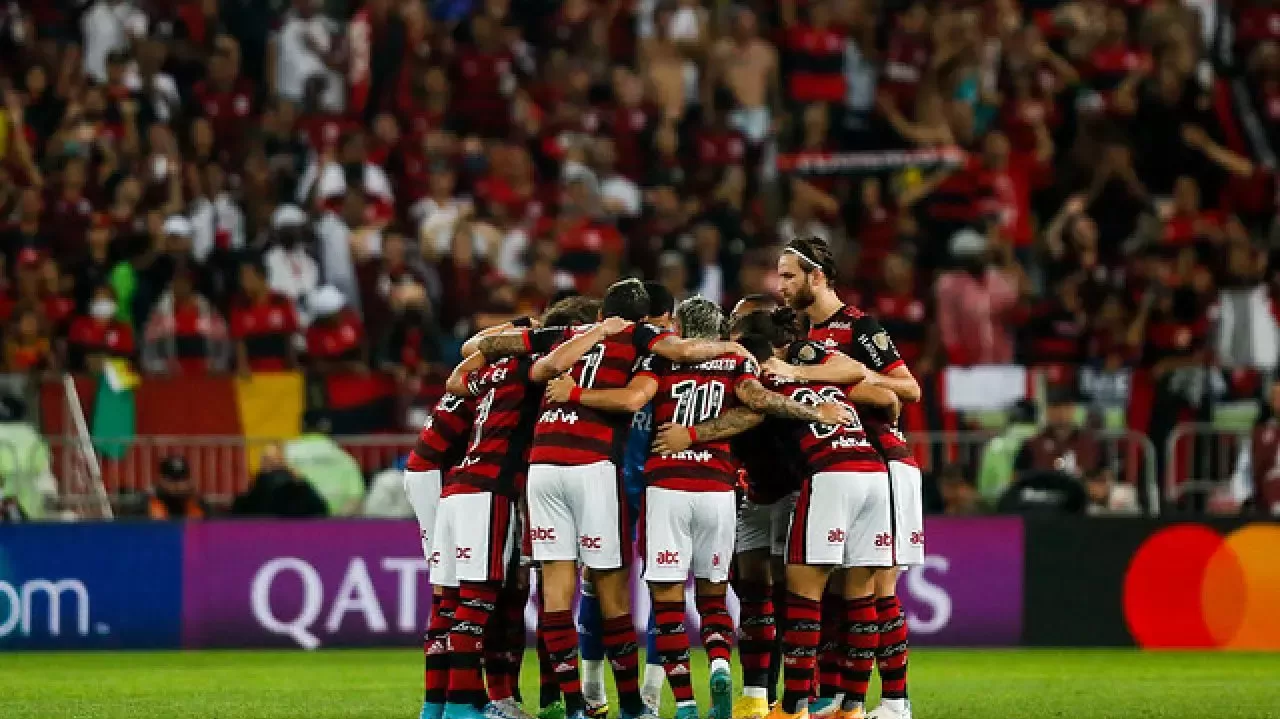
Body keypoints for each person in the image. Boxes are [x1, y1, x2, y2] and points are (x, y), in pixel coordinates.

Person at [547, 297, 854, 719]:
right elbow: (759, 403)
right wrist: (816, 411)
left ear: (678, 327)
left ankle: (686, 705)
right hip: (717, 490)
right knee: (713, 598)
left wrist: (577, 393)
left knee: (667, 603)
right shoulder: (737, 360)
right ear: (720, 330)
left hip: (666, 487)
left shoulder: (660, 361)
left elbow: (634, 398)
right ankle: (720, 665)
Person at [473, 278, 756, 719]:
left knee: (557, 593)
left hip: (543, 465)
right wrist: (732, 348)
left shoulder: (565, 334)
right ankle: (634, 703)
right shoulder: (643, 340)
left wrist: (534, 334)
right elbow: (645, 387)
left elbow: (488, 347)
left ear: (601, 312)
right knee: (614, 592)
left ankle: (576, 703)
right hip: (599, 466)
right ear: (646, 320)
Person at [655, 307, 900, 719]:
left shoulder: (765, 372)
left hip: (813, 481)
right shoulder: (816, 376)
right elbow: (886, 397)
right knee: (852, 592)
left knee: (801, 594)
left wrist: (692, 434)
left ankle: (795, 704)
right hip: (861, 473)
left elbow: (754, 407)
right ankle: (846, 705)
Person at [435, 310, 632, 719]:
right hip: (492, 488)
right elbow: (553, 365)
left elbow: (456, 375)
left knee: (459, 602)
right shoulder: (528, 370)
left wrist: (501, 335)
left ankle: (448, 704)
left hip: (458, 485)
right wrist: (596, 332)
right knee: (480, 600)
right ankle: (461, 706)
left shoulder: (490, 374)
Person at [777, 237, 923, 719]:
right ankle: (845, 698)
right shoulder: (803, 334)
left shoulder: (859, 327)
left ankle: (896, 700)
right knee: (843, 590)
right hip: (852, 466)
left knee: (878, 586)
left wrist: (852, 377)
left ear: (817, 277)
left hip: (886, 461)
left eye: (789, 276)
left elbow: (909, 389)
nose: (781, 286)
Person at [142, 455, 209, 520]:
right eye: (172, 480)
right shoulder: (146, 503)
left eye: (182, 479)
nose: (177, 485)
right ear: (160, 479)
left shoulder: (199, 503)